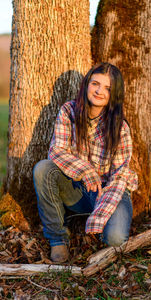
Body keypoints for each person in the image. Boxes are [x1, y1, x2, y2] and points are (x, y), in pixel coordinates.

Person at [33, 62, 138, 263]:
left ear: (114, 94)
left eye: (107, 88)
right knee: (42, 169)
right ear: (86, 85)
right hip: (76, 188)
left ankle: (99, 231)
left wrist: (102, 207)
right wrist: (85, 170)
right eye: (95, 84)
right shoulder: (69, 112)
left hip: (109, 190)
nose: (99, 91)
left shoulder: (119, 127)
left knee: (115, 239)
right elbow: (57, 151)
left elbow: (120, 174)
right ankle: (57, 239)